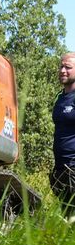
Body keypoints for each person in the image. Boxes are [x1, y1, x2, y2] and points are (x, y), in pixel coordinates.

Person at [51, 52, 75, 218]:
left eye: (68, 67)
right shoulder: (60, 98)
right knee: (68, 219)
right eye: (61, 66)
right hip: (61, 170)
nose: (63, 70)